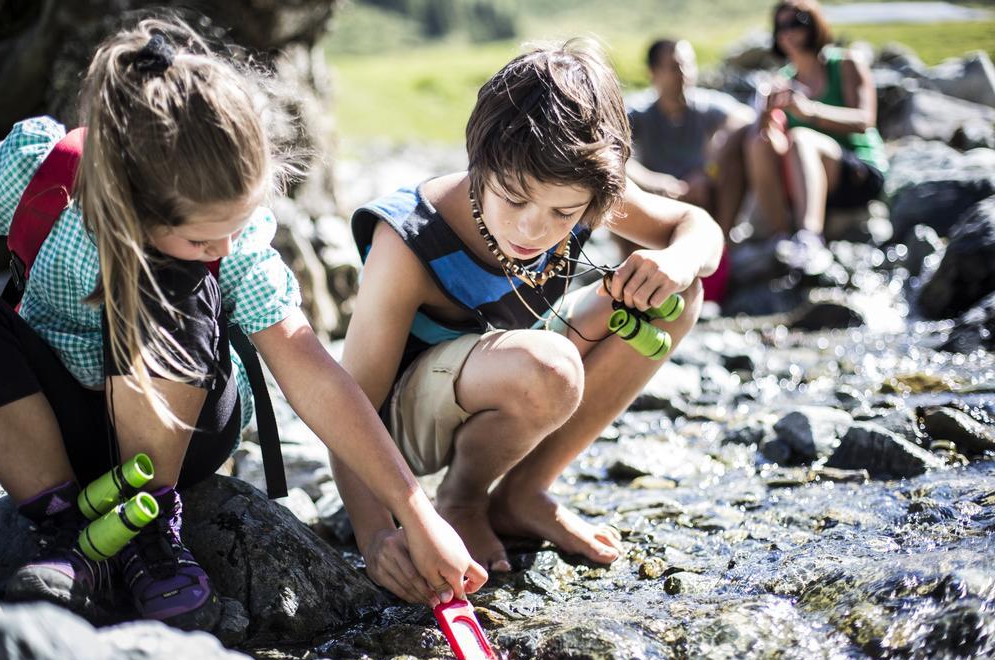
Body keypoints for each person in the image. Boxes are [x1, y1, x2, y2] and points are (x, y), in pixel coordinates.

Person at [0, 18, 485, 629]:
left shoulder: (229, 248)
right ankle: (67, 532)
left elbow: (310, 370)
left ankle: (148, 531)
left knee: (174, 281)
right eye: (202, 236)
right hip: (48, 425)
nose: (226, 247)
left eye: (237, 227)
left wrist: (416, 514)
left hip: (175, 430)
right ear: (124, 198)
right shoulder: (41, 173)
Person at [337, 40, 722, 600]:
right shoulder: (410, 241)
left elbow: (695, 225)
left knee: (677, 296)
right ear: (481, 165)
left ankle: (523, 492)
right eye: (513, 199)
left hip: (513, 367)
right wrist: (376, 534)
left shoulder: (581, 188)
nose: (532, 229)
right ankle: (462, 499)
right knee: (550, 368)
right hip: (403, 430)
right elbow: (349, 404)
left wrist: (677, 260)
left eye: (562, 214)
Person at [744, 0, 887, 238]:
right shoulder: (782, 81)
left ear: (815, 25)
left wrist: (810, 111)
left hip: (858, 172)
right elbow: (772, 144)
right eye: (780, 27)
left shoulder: (845, 63)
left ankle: (809, 236)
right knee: (759, 144)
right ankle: (781, 236)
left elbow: (864, 120)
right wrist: (766, 115)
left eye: (795, 23)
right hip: (807, 179)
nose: (788, 33)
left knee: (801, 139)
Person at [625, 39, 752, 302]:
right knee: (614, 184)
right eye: (674, 67)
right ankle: (630, 270)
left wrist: (708, 170)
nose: (684, 74)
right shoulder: (639, 112)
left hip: (704, 194)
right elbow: (611, 153)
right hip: (658, 200)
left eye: (687, 66)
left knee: (735, 161)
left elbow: (744, 118)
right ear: (654, 73)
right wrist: (656, 183)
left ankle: (723, 248)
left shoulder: (705, 105)